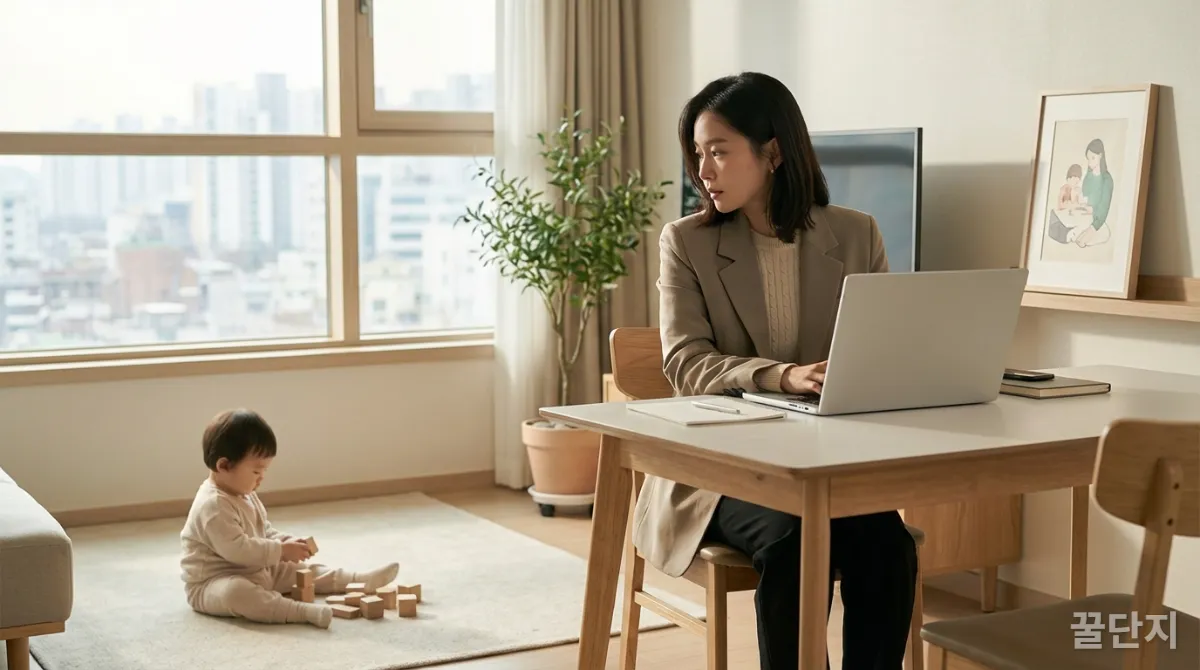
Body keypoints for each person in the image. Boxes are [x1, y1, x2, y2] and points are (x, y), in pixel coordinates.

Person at [634, 71, 918, 669]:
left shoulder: (855, 233)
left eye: (718, 151)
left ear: (772, 152)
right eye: (698, 154)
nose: (702, 171)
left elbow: (885, 347)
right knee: (794, 543)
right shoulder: (686, 241)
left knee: (888, 549)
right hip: (721, 468)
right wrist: (779, 376)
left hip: (827, 462)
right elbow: (684, 363)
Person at [180, 409, 399, 628]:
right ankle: (300, 612)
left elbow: (264, 532)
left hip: (256, 569)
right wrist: (281, 551)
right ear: (224, 466)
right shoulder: (213, 506)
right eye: (257, 472)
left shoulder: (244, 494)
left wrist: (287, 543)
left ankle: (358, 580)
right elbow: (239, 551)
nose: (261, 478)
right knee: (237, 593)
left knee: (303, 572)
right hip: (213, 584)